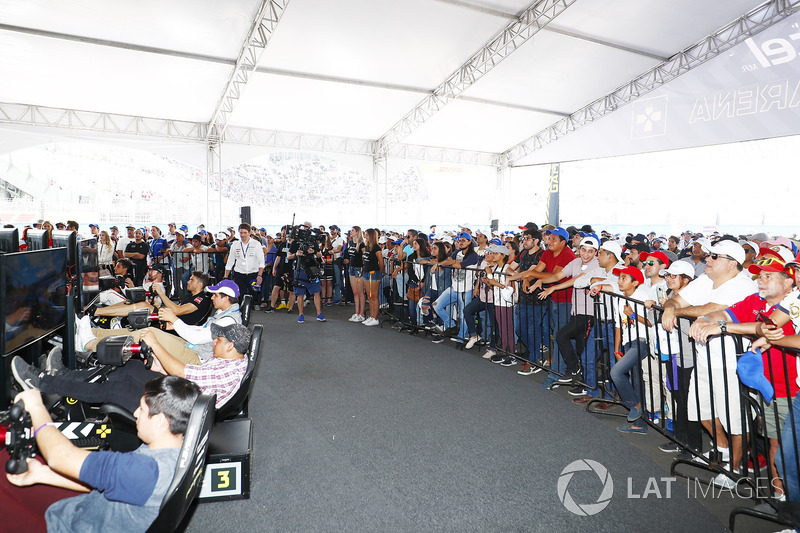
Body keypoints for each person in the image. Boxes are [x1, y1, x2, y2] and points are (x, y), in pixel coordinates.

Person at [5, 376, 201, 533]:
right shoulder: (176, 452)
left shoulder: (144, 471)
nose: (135, 414)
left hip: (70, 526)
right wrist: (43, 474)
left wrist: (37, 408)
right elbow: (111, 483)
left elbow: (59, 457)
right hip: (85, 510)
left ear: (159, 421)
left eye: (141, 409)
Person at [660, 239, 756, 484]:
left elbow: (713, 307)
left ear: (732, 264)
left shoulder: (742, 285)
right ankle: (721, 449)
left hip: (732, 364)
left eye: (715, 257)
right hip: (705, 359)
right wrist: (671, 307)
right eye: (709, 255)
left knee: (736, 419)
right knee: (703, 412)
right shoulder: (705, 279)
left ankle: (734, 471)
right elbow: (678, 300)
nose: (708, 260)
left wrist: (674, 311)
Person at [288, 222, 326, 324]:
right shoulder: (295, 242)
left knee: (316, 292)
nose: (305, 229)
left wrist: (312, 252)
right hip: (300, 269)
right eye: (304, 227)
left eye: (307, 227)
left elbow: (319, 254)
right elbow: (288, 256)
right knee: (300, 294)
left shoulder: (313, 241)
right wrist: (296, 254)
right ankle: (301, 314)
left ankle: (319, 313)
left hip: (312, 268)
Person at [225, 223, 265, 299]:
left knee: (253, 295)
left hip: (253, 274)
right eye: (241, 233)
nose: (242, 235)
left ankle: (251, 307)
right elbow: (230, 261)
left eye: (245, 233)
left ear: (249, 233)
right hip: (239, 274)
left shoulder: (256, 244)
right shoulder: (235, 244)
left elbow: (261, 261)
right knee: (240, 295)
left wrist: (259, 275)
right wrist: (226, 276)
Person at [361, 229, 384, 327]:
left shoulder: (376, 248)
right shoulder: (367, 247)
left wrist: (380, 272)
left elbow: (381, 262)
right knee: (369, 296)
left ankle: (375, 317)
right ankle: (371, 316)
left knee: (374, 296)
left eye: (366, 235)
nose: (365, 236)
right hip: (366, 272)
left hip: (373, 274)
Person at [347, 227, 367, 323]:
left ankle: (362, 314)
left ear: (357, 232)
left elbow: (365, 255)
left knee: (360, 292)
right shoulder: (350, 243)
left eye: (352, 231)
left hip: (359, 268)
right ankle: (356, 312)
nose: (351, 232)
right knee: (355, 292)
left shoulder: (362, 244)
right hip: (351, 268)